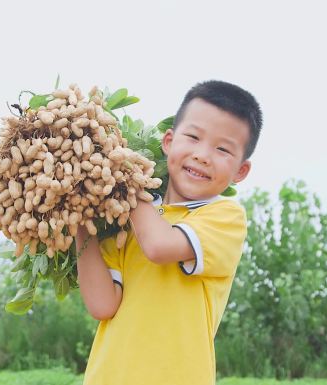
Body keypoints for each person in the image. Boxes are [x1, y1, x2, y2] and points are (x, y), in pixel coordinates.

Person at [75, 80, 263, 385]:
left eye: (223, 149)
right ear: (168, 142)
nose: (203, 155)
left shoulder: (224, 217)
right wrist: (81, 220)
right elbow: (102, 305)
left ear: (240, 171)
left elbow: (159, 247)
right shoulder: (127, 219)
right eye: (193, 137)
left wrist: (124, 171)